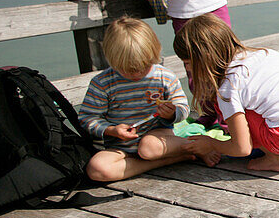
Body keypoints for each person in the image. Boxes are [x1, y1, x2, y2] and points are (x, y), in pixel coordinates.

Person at [173, 14, 279, 178]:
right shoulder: (266, 53)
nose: (188, 69)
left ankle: (274, 159)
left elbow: (242, 148)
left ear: (203, 59)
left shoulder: (228, 85)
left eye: (187, 63)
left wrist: (211, 144)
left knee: (240, 114)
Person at [79, 17, 195, 182]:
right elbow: (87, 118)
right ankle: (171, 159)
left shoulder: (164, 77)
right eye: (129, 70)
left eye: (144, 66)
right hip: (120, 147)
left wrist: (172, 113)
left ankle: (195, 146)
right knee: (97, 169)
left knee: (148, 148)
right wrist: (111, 130)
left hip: (158, 139)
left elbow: (183, 107)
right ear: (113, 60)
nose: (137, 74)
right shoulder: (103, 83)